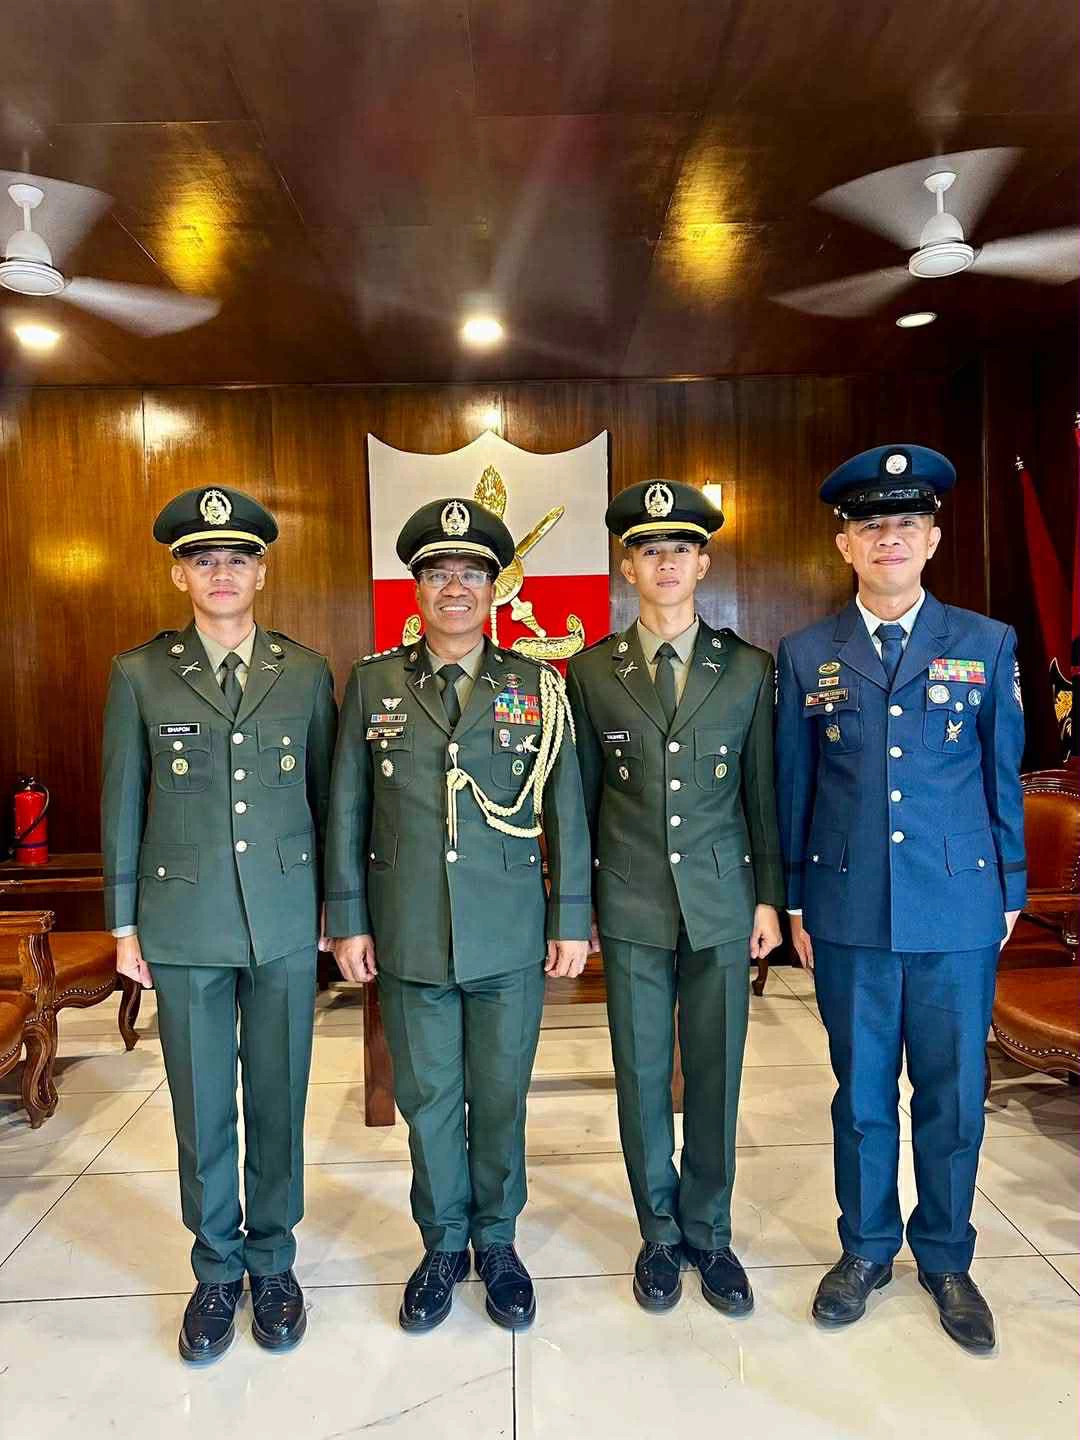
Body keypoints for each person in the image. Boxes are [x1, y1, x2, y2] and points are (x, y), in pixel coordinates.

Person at [774, 444, 1025, 1355]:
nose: (890, 538)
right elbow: (795, 786)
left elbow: (1001, 776)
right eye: (871, 525)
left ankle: (947, 1258)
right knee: (863, 1097)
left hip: (958, 907)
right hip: (848, 910)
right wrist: (795, 900)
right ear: (844, 545)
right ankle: (867, 1249)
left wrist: (1010, 888)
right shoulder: (807, 653)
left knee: (954, 1098)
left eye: (907, 523)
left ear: (933, 539)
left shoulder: (986, 642)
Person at [324, 497, 591, 1333]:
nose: (454, 588)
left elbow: (568, 811)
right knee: (430, 1095)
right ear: (416, 588)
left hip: (508, 931)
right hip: (408, 930)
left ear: (495, 587)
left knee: (502, 1094)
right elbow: (348, 808)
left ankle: (498, 1240)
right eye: (437, 573)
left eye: (471, 573)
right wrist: (348, 919)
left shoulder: (538, 686)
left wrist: (570, 918)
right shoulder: (374, 683)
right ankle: (442, 1244)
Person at [101, 485, 337, 1363]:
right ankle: (214, 1267)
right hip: (184, 919)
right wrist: (123, 925)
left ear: (262, 573)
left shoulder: (305, 672)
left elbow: (329, 799)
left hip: (283, 918)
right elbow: (123, 803)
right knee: (202, 1106)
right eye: (204, 560)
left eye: (237, 559)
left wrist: (335, 908)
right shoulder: (140, 673)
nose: (222, 572)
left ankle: (272, 1262)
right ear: (180, 576)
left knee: (278, 1096)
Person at [565, 480, 783, 1316]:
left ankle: (710, 1231)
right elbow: (580, 801)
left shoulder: (747, 667)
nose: (665, 563)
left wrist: (768, 897)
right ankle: (659, 1232)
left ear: (703, 563)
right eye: (649, 550)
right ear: (627, 567)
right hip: (631, 903)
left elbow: (760, 794)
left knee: (718, 1074)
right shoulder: (591, 671)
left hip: (724, 900)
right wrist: (580, 906)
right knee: (642, 1072)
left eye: (680, 549)